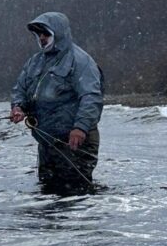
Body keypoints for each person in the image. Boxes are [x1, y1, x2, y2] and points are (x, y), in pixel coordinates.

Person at [9, 12, 103, 192]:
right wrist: (18, 107)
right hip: (47, 143)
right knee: (48, 195)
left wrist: (80, 128)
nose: (42, 38)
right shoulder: (35, 62)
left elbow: (91, 97)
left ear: (58, 33)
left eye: (46, 33)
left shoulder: (81, 61)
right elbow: (20, 88)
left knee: (75, 197)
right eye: (39, 34)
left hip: (74, 142)